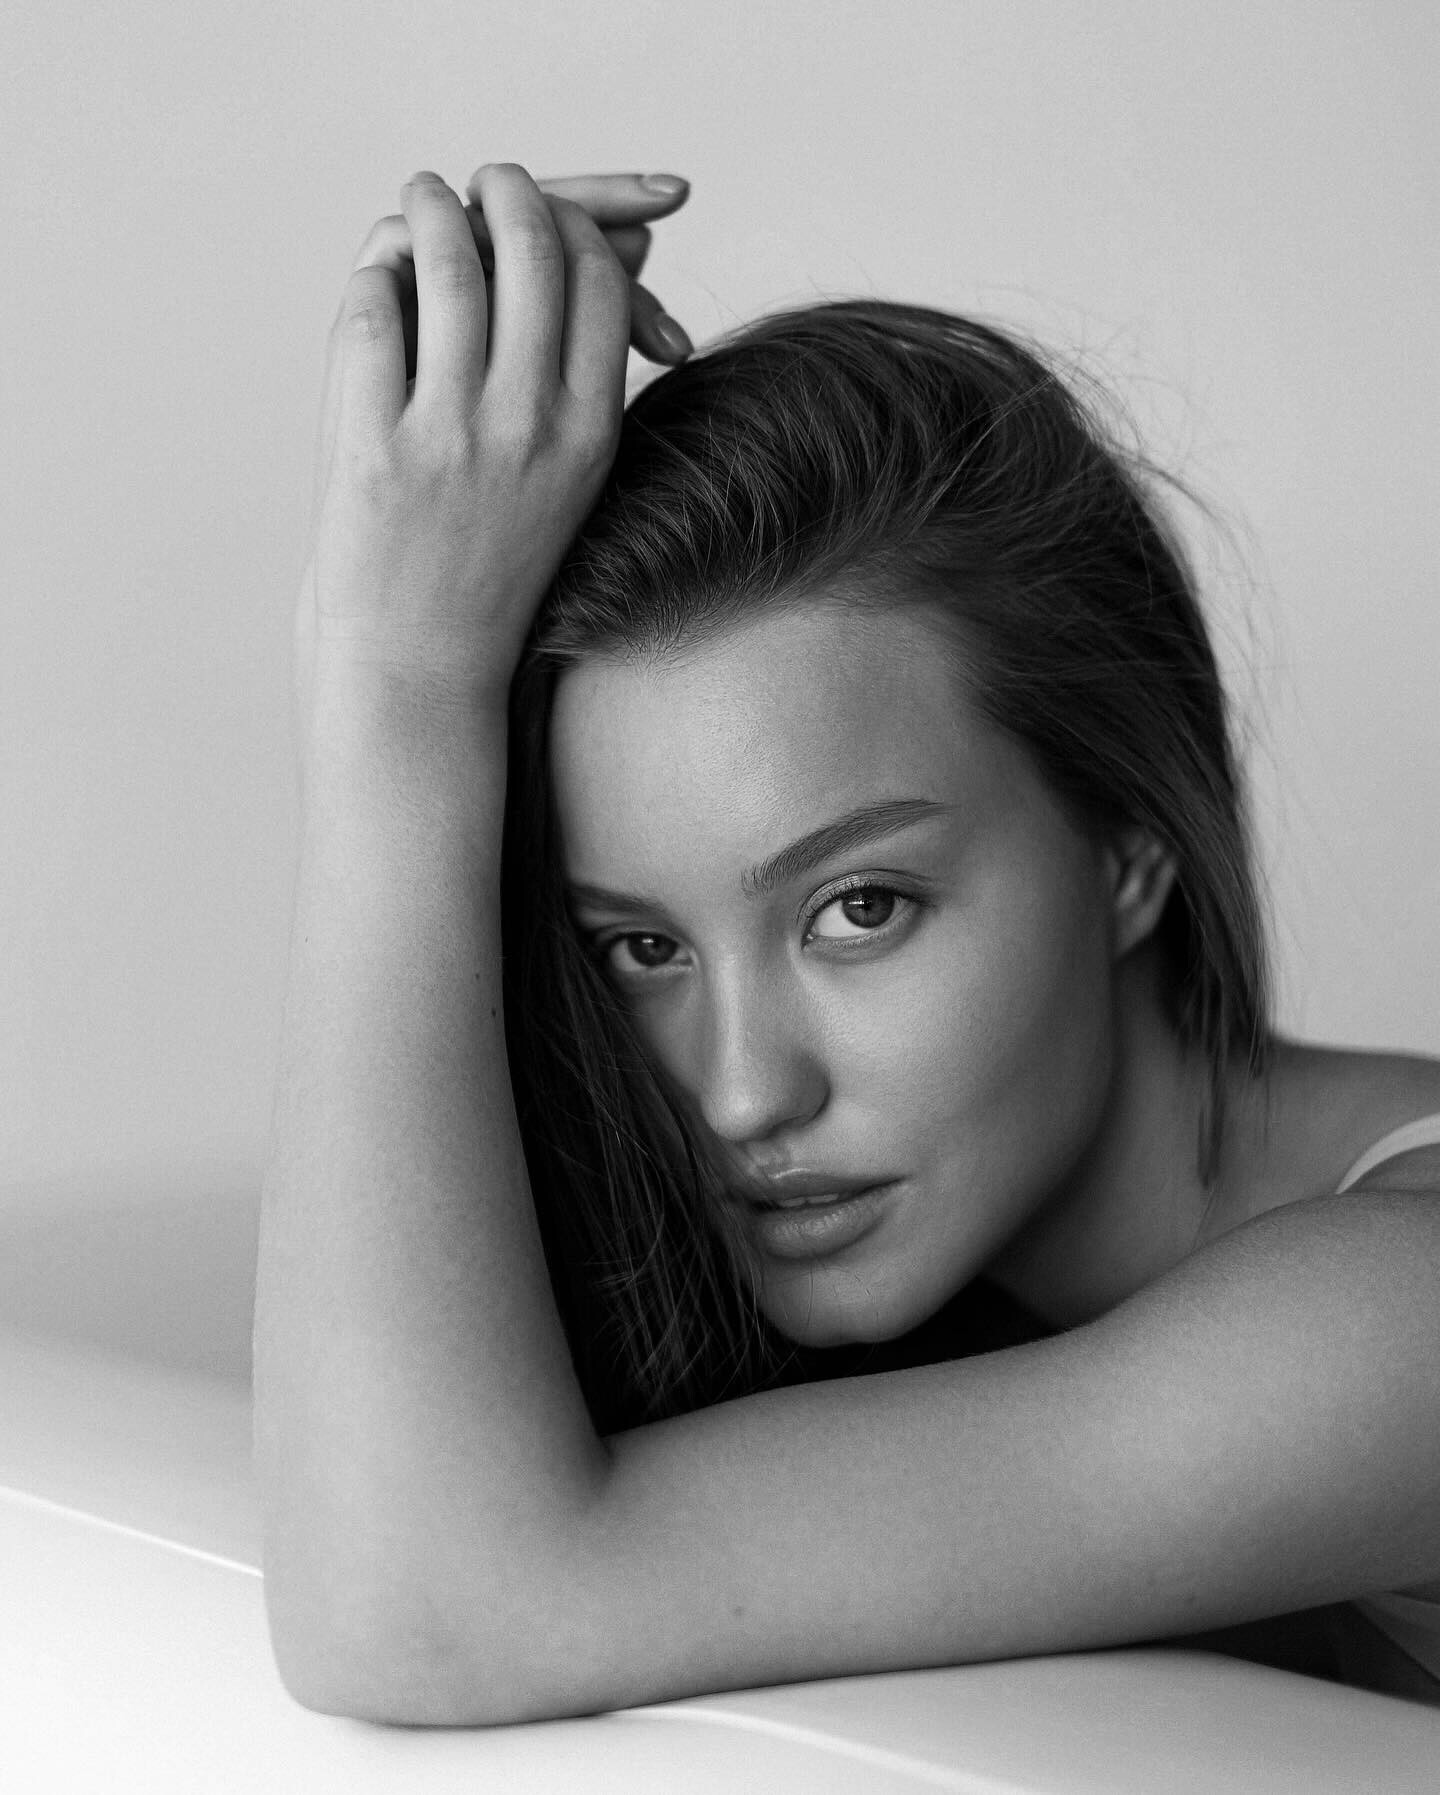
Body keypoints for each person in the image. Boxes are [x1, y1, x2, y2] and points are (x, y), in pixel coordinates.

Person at [254, 163, 1440, 1726]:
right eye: (642, 950)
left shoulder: (1402, 1315)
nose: (743, 1094)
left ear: (1129, 847)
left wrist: (394, 678)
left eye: (857, 909)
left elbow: (420, 1611)